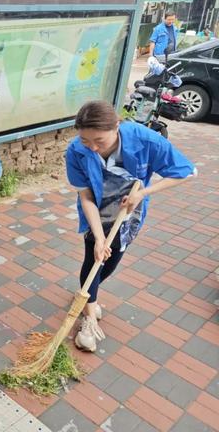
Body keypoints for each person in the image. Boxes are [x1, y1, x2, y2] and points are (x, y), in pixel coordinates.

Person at [65, 100, 195, 352]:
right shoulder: (76, 151)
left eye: (99, 141)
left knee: (110, 263)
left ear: (116, 126)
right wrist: (100, 237)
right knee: (94, 259)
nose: (92, 148)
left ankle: (86, 295)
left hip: (128, 214)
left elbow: (186, 172)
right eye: (85, 140)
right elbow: (86, 197)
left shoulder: (145, 140)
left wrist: (144, 193)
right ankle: (89, 316)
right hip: (97, 212)